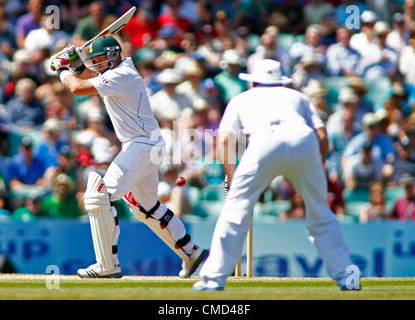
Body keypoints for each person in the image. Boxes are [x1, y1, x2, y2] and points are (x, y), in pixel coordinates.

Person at [50, 35, 208, 278]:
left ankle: (106, 265)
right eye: (95, 61)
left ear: (114, 54)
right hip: (147, 145)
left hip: (141, 145)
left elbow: (76, 87)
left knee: (98, 195)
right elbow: (88, 78)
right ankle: (191, 253)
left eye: (100, 60)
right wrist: (75, 65)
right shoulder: (120, 72)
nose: (97, 65)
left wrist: (62, 68)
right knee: (145, 207)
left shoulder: (122, 75)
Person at [193, 59, 359, 291]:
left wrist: (231, 176)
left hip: (264, 140)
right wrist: (314, 169)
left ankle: (213, 279)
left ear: (253, 82)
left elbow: (224, 140)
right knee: (321, 214)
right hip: (304, 140)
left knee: (235, 209)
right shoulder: (298, 97)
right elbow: (321, 136)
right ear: (280, 81)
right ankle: (347, 277)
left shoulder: (241, 99)